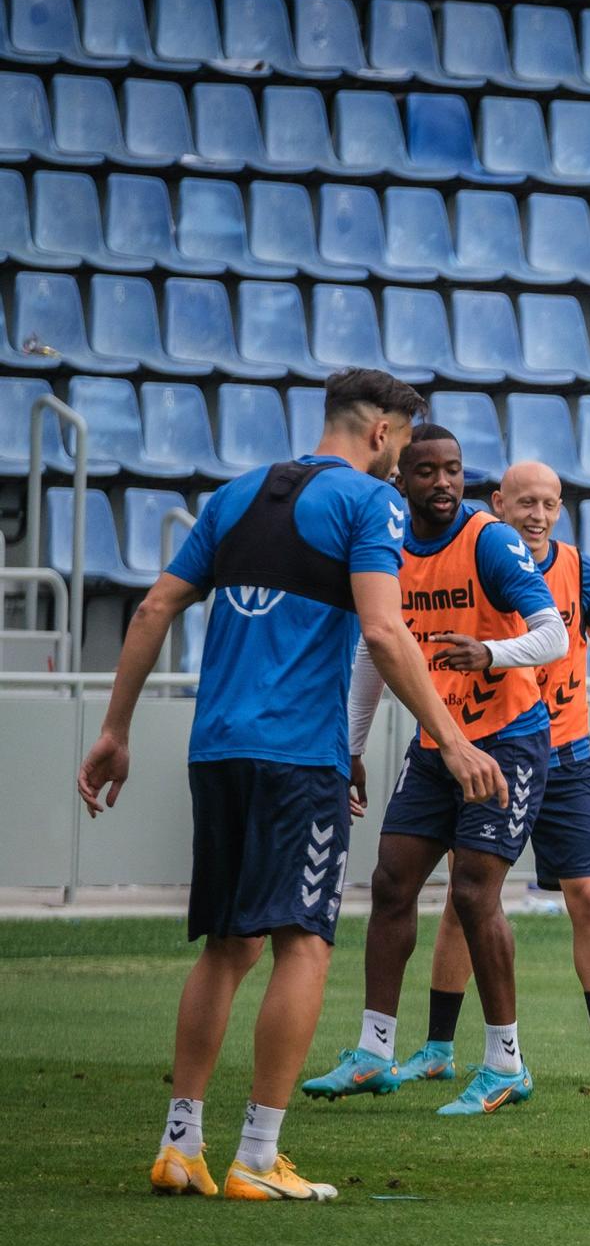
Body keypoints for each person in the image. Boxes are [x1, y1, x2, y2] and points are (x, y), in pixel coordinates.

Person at [78, 369, 506, 1202]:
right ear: (382, 432)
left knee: (228, 947)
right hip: (296, 758)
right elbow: (383, 630)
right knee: (303, 942)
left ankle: (180, 1144)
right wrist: (451, 740)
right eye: (405, 443)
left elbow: (152, 611)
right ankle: (257, 1154)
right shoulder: (369, 503)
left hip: (218, 750)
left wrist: (115, 729)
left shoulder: (233, 495)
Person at [304, 426, 567, 1116]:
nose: (444, 482)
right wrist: (350, 747)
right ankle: (373, 1051)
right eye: (428, 471)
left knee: (475, 893)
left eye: (453, 470)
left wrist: (490, 652)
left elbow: (554, 634)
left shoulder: (490, 540)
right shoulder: (386, 547)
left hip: (509, 739)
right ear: (403, 481)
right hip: (435, 744)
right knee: (391, 881)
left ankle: (506, 1062)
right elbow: (374, 650)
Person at [398, 462, 590, 1088]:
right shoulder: (479, 562)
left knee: (588, 897)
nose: (537, 515)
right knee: (467, 898)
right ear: (498, 504)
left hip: (566, 758)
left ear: (560, 510)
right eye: (525, 503)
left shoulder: (584, 573)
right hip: (497, 751)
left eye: (549, 504)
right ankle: (437, 1047)